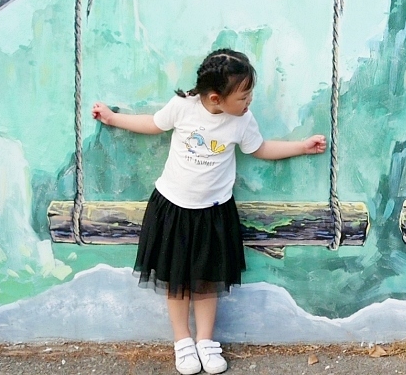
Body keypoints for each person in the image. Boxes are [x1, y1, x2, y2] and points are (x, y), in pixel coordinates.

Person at [91, 49, 325, 374]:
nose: (249, 101)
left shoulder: (242, 120)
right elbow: (153, 124)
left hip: (213, 213)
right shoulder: (183, 108)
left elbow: (260, 148)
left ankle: (205, 340)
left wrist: (300, 146)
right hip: (173, 209)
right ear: (216, 98)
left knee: (205, 281)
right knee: (176, 282)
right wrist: (113, 118)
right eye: (244, 96)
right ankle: (182, 341)